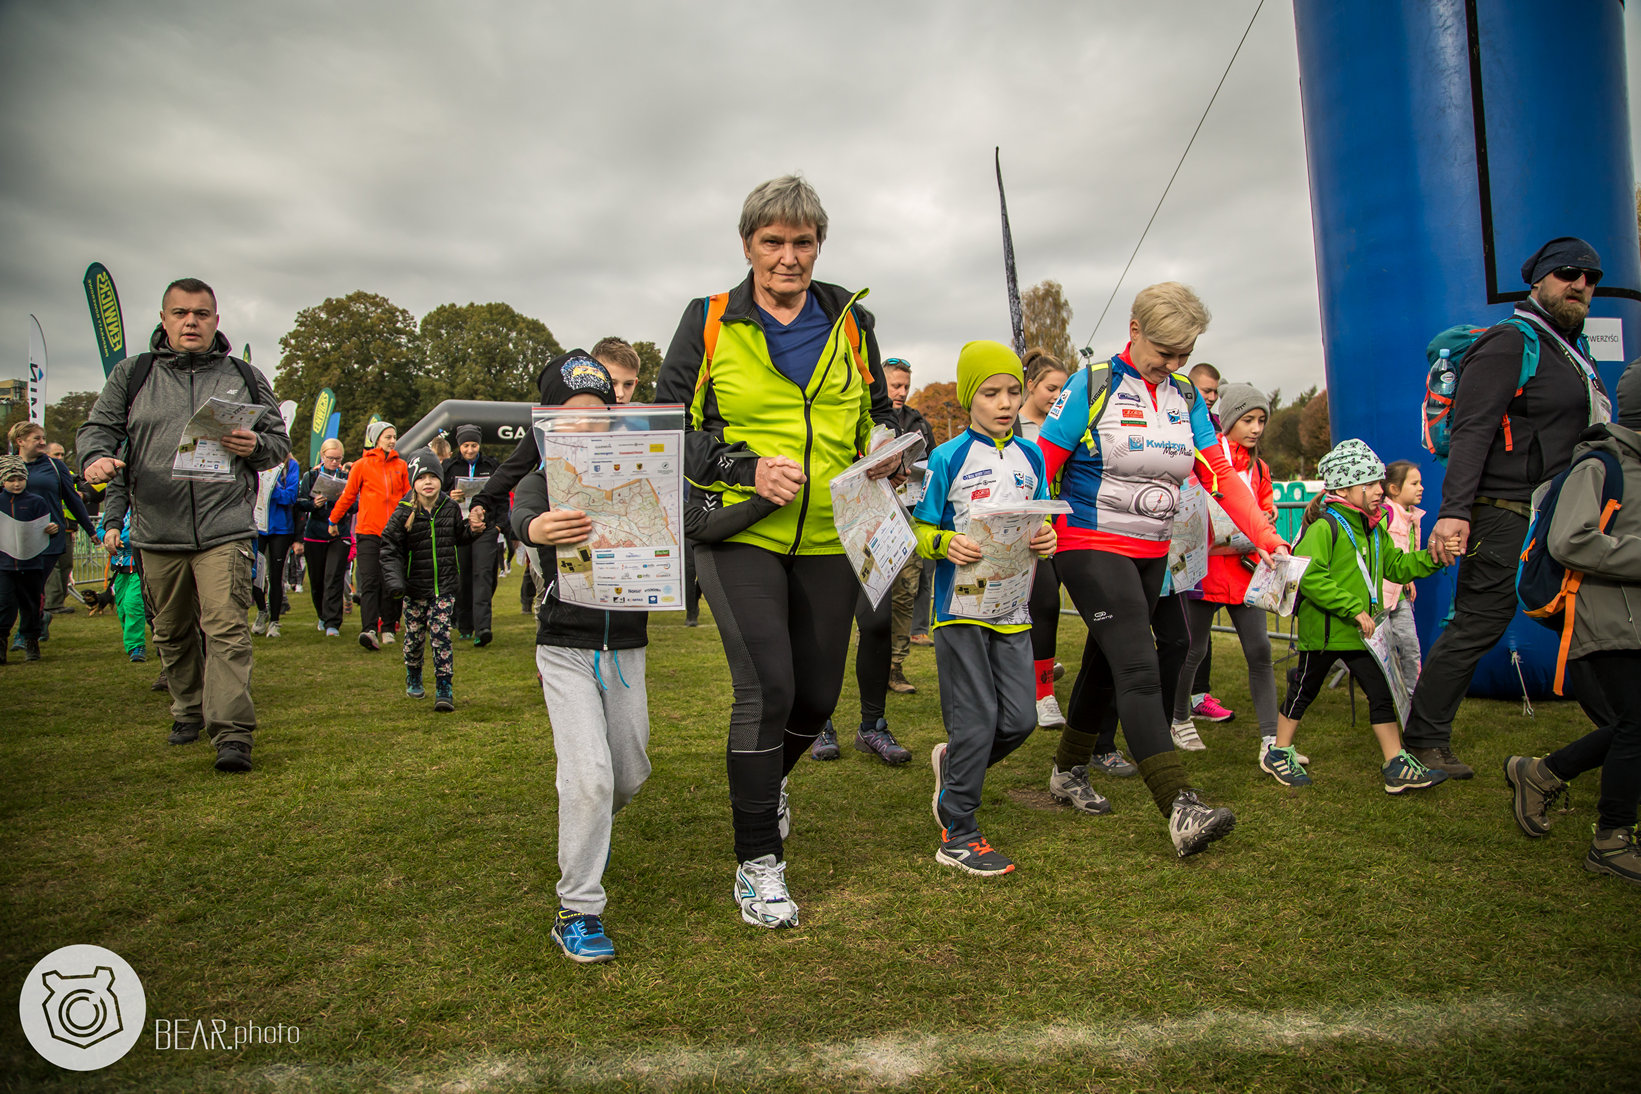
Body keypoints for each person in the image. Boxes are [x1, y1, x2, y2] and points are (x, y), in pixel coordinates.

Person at [655, 175, 896, 928]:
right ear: (747, 244)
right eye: (773, 242)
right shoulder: (708, 319)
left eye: (802, 242)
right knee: (766, 690)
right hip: (740, 533)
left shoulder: (851, 323)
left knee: (817, 699)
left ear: (819, 245)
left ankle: (767, 783)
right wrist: (740, 467)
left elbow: (879, 415)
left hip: (831, 535)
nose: (789, 257)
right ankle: (758, 863)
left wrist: (887, 448)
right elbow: (666, 428)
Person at [1035, 282, 1283, 858]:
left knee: (1104, 662)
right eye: (1164, 352)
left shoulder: (1187, 400)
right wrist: (1034, 528)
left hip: (1152, 551)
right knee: (1141, 667)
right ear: (1135, 328)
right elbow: (1044, 461)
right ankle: (1180, 806)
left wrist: (1265, 537)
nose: (1172, 365)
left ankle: (1067, 770)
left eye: (1183, 354)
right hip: (1087, 542)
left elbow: (1219, 473)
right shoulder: (1090, 384)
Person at [1409, 237, 1611, 779]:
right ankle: (1423, 739)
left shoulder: (1571, 351)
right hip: (1505, 510)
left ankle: (1621, 726)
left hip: (1562, 512)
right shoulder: (1510, 342)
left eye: (1591, 278)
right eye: (1568, 273)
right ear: (1538, 281)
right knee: (1480, 621)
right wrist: (1454, 511)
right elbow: (1473, 429)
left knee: (1584, 619)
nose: (1581, 285)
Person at [78, 277, 291, 772]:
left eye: (201, 313)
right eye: (180, 313)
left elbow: (278, 441)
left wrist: (255, 447)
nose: (191, 321)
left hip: (225, 528)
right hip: (157, 528)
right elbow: (98, 429)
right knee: (172, 633)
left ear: (216, 320)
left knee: (226, 629)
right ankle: (188, 709)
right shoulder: (133, 375)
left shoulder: (244, 374)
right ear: (164, 319)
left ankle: (233, 733)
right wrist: (95, 458)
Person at [510, 357, 654, 962]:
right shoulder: (540, 481)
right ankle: (577, 909)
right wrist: (537, 529)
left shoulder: (640, 473)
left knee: (628, 774)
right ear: (547, 425)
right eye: (571, 420)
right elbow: (523, 516)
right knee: (590, 780)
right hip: (565, 648)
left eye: (598, 418)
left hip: (627, 649)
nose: (585, 430)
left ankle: (588, 822)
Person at [916, 341, 1057, 875]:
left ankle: (954, 769)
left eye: (1013, 391)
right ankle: (959, 831)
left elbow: (1041, 519)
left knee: (1020, 721)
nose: (1004, 402)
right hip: (960, 610)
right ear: (968, 397)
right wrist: (942, 543)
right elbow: (921, 527)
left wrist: (1047, 538)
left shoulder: (1033, 455)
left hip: (1012, 608)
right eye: (990, 392)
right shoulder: (947, 457)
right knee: (977, 721)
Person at [1504, 360, 1641, 887]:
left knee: (1630, 725)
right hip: (1608, 619)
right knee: (1635, 723)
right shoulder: (1602, 463)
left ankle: (1541, 773)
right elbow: (1570, 540)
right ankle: (1611, 838)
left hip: (1632, 616)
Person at [1265, 440, 1455, 792]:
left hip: (1360, 635)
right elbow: (1309, 575)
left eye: (1378, 483)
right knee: (1304, 689)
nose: (1378, 491)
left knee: (1381, 692)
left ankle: (1395, 762)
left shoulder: (1375, 528)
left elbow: (1396, 566)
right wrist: (1351, 608)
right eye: (1368, 484)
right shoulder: (1325, 527)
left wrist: (1432, 558)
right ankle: (1279, 752)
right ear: (1343, 488)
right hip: (1323, 634)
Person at [1169, 384, 1283, 756]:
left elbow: (1263, 508)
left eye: (1261, 420)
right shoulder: (1205, 457)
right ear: (1229, 418)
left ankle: (1272, 740)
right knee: (1193, 650)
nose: (1255, 428)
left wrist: (1268, 519)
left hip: (1245, 571)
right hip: (1203, 573)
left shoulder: (1260, 467)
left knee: (1261, 651)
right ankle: (1180, 719)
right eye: (1247, 419)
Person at [381, 448, 478, 712]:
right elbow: (388, 546)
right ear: (414, 482)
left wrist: (474, 529)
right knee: (414, 638)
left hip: (444, 587)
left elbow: (459, 537)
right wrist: (395, 581)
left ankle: (444, 687)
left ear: (440, 479)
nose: (428, 482)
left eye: (433, 477)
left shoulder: (450, 506)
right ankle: (413, 673)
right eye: (422, 477)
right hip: (414, 589)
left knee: (441, 635)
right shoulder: (403, 511)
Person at [1020, 348, 1072, 727]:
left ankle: (1041, 685)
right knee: (1041, 606)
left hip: (1065, 531)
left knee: (1048, 608)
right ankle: (1041, 693)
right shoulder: (1011, 426)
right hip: (1024, 536)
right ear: (1031, 385)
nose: (1057, 396)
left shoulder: (1069, 425)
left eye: (1063, 390)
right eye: (1052, 388)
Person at [8, 424, 95, 649]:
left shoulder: (55, 466)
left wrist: (90, 529)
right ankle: (39, 620)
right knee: (14, 590)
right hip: (13, 539)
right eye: (37, 438)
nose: (42, 442)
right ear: (20, 441)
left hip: (48, 538)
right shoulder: (7, 466)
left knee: (33, 588)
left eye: (44, 438)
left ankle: (24, 634)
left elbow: (72, 499)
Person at [1183, 361, 1234, 724]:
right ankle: (1175, 701)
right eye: (1205, 391)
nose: (1212, 399)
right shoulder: (1176, 428)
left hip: (1209, 543)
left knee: (1198, 627)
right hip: (1175, 541)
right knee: (1179, 631)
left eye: (1216, 392)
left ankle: (1198, 696)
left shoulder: (1218, 433)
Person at [330, 420, 408, 651]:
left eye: (394, 436)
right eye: (388, 436)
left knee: (390, 582)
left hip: (394, 533)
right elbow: (348, 495)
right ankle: (369, 629)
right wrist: (334, 519)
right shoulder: (362, 465)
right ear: (376, 439)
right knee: (370, 581)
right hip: (368, 532)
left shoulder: (401, 465)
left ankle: (389, 627)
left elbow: (407, 498)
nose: (392, 440)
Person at [885, 356, 934, 696]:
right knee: (871, 598)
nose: (901, 392)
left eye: (906, 386)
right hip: (872, 517)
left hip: (910, 513)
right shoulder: (866, 415)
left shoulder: (918, 422)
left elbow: (933, 461)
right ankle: (867, 660)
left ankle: (895, 667)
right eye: (895, 385)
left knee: (906, 591)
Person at [443, 424, 501, 647]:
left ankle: (483, 627)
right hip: (459, 527)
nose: (470, 450)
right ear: (459, 446)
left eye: (474, 445)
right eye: (466, 445)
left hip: (485, 526)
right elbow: (436, 494)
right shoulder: (449, 466)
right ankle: (464, 624)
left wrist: (499, 526)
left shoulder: (491, 465)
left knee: (484, 575)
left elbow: (501, 495)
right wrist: (450, 495)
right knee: (462, 576)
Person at [0, 454, 59, 662]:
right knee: (4, 605)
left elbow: (47, 527)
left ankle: (31, 643)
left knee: (31, 606)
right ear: (2, 481)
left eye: (20, 479)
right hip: (5, 566)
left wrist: (52, 530)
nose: (16, 484)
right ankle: (2, 644)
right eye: (11, 479)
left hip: (32, 564)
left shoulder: (37, 502)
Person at [296, 439, 354, 636]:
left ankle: (332, 622)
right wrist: (314, 504)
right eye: (331, 459)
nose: (335, 463)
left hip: (339, 533)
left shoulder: (347, 477)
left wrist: (342, 500)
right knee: (317, 579)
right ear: (322, 457)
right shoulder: (310, 476)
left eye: (338, 459)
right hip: (315, 533)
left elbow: (355, 505)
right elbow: (300, 502)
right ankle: (322, 615)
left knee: (333, 577)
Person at [1382, 460, 1425, 703]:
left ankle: (1411, 699)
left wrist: (1409, 580)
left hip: (1401, 598)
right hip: (1381, 600)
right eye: (1414, 483)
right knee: (1382, 652)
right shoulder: (1385, 515)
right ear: (1394, 489)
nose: (1421, 488)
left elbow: (1407, 555)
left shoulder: (1412, 517)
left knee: (1410, 648)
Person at [252, 454, 300, 638]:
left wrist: (271, 489)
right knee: (254, 573)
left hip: (281, 528)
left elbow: (290, 496)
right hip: (257, 525)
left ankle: (274, 620)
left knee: (276, 575)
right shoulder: (256, 461)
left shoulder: (291, 466)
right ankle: (261, 610)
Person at [95, 506, 146, 662]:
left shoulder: (141, 505)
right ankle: (131, 643)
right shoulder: (115, 508)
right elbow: (101, 528)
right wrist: (107, 537)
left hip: (139, 567)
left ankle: (137, 646)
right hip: (119, 568)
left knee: (133, 604)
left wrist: (119, 539)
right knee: (122, 608)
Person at [40, 441, 82, 618]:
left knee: (66, 566)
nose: (60, 458)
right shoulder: (43, 475)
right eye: (56, 454)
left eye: (62, 454)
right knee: (53, 568)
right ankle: (51, 603)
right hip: (50, 528)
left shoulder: (67, 474)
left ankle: (59, 600)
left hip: (68, 529)